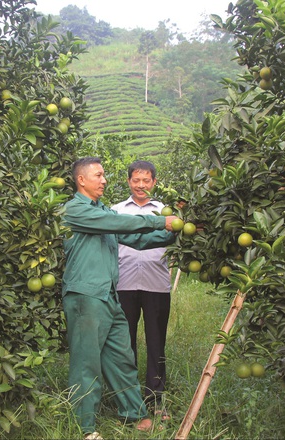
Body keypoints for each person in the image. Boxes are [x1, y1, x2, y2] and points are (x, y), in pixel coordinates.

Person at [61, 157, 178, 439]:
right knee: (87, 362)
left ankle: (134, 413)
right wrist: (161, 219)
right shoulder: (76, 210)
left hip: (109, 295)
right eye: (98, 175)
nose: (103, 180)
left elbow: (138, 240)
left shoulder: (101, 210)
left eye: (104, 175)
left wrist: (175, 231)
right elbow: (118, 222)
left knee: (122, 358)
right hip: (86, 295)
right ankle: (84, 426)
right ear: (81, 180)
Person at [111, 160, 172, 419]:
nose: (141, 185)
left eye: (146, 180)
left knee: (156, 341)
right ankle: (129, 395)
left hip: (156, 284)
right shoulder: (115, 211)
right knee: (125, 343)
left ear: (154, 182)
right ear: (128, 181)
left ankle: (156, 397)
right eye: (136, 180)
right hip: (123, 283)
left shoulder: (164, 213)